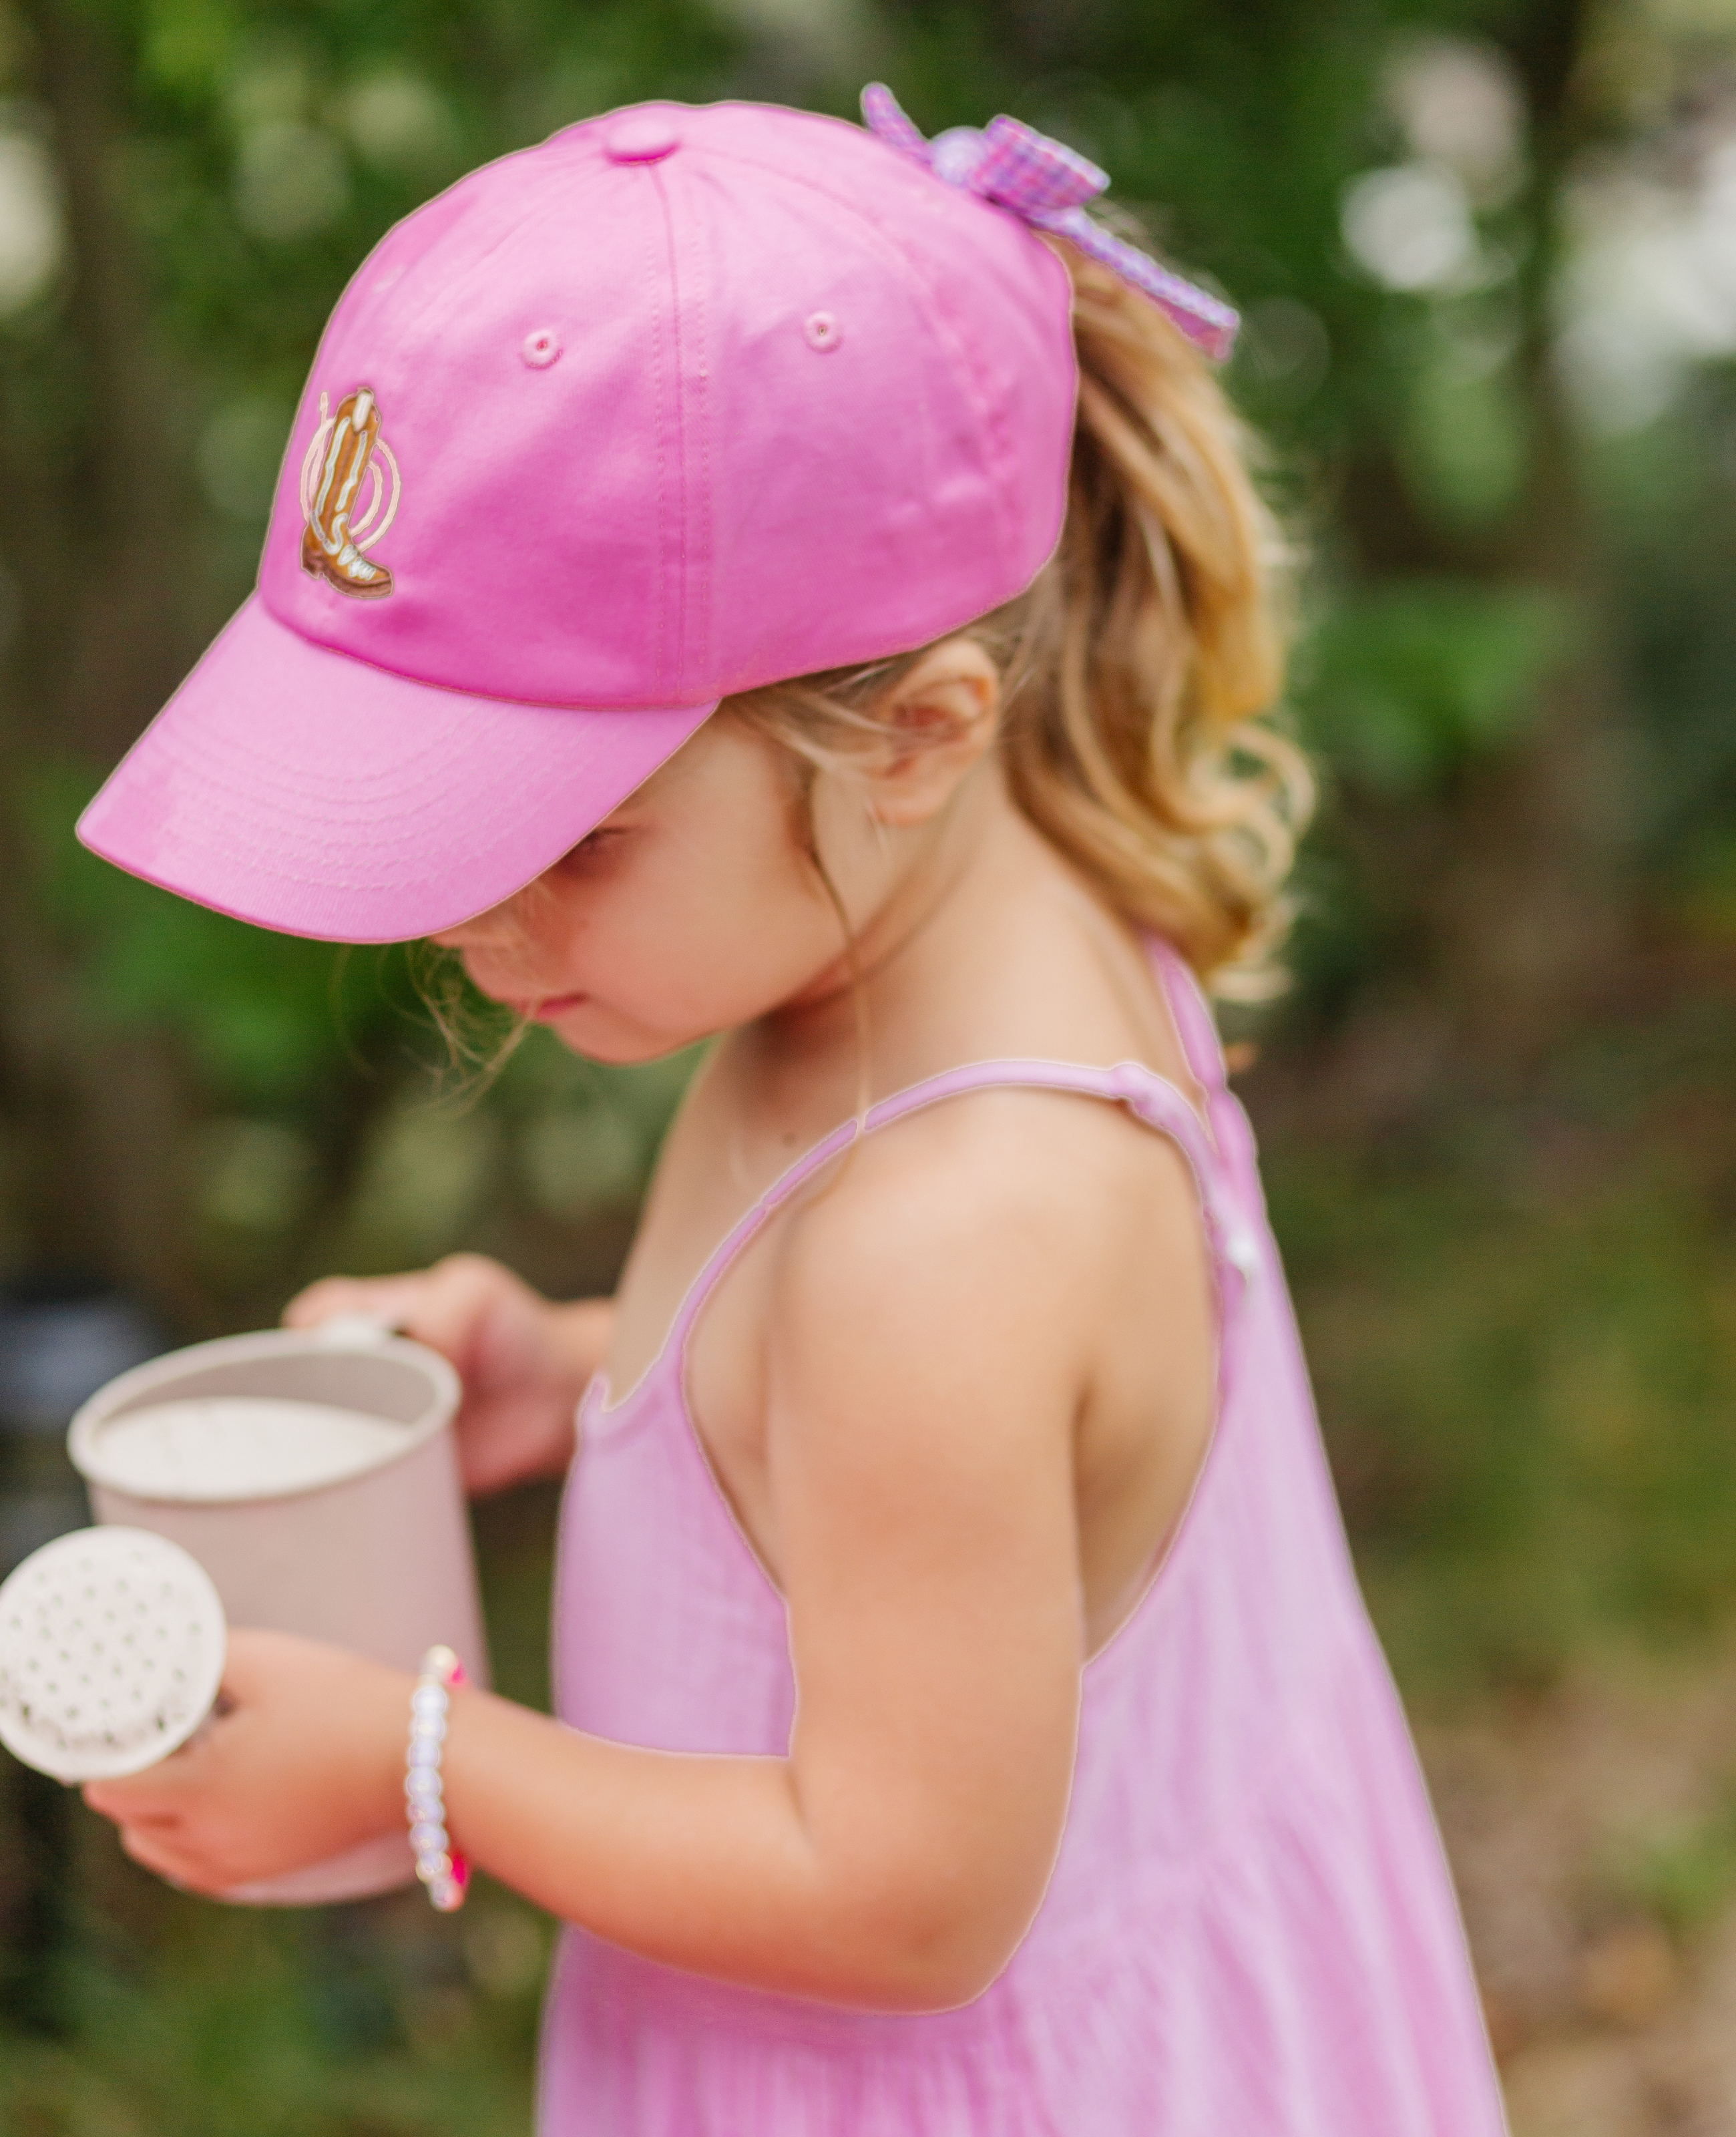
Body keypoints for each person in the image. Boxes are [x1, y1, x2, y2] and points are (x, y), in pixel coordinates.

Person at [75, 88, 1508, 2135]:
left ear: (914, 732)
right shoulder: (936, 929)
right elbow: (936, 1481)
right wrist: (583, 1376)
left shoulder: (946, 1239)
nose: (480, 925)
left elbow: (907, 1895)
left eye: (568, 830)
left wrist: (423, 1759)